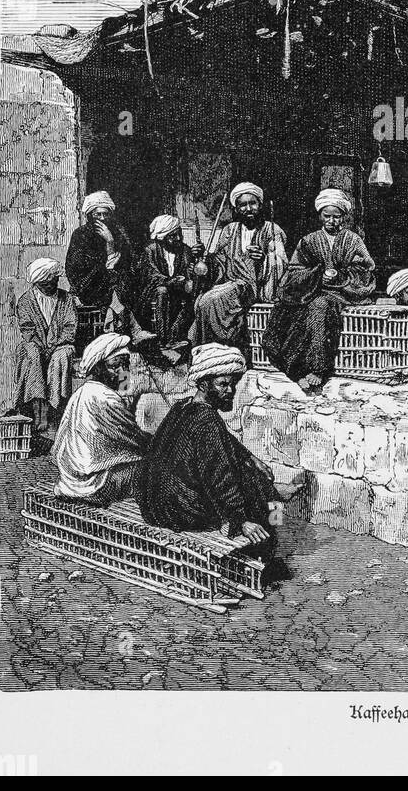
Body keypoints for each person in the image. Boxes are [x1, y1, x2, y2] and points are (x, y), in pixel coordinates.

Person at [135, 344, 303, 550]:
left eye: (232, 384)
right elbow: (218, 474)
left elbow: (223, 440)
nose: (230, 391)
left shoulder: (184, 406)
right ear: (204, 384)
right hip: (180, 511)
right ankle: (274, 540)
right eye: (223, 385)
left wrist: (249, 457)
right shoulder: (207, 420)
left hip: (156, 506)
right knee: (259, 486)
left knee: (249, 470)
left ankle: (273, 507)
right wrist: (239, 519)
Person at [263, 189, 375, 392]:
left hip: (343, 294)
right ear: (320, 216)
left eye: (337, 216)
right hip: (309, 291)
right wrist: (317, 274)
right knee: (287, 310)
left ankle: (317, 368)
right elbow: (295, 272)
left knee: (319, 306)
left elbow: (365, 270)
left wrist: (340, 276)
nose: (332, 221)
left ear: (344, 216)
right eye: (327, 216)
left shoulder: (353, 240)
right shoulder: (308, 241)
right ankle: (296, 368)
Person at [190, 183, 287, 354]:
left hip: (254, 287)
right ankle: (208, 352)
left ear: (260, 205)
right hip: (229, 283)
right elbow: (219, 262)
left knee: (210, 300)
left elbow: (279, 262)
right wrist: (203, 259)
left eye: (253, 203)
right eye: (243, 204)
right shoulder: (230, 230)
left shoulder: (271, 229)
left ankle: (220, 349)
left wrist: (264, 259)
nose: (248, 208)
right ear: (236, 208)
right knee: (203, 300)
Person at [51, 332, 146, 504]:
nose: (122, 372)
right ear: (98, 368)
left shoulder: (82, 392)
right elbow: (136, 440)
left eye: (126, 365)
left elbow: (57, 447)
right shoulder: (105, 399)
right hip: (94, 484)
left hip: (70, 481)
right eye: (115, 366)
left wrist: (123, 382)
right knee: (153, 468)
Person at [65, 191, 155, 348]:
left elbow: (129, 263)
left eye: (105, 214)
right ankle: (134, 331)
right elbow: (75, 268)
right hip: (88, 284)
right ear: (89, 215)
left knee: (123, 286)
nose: (102, 218)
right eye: (97, 214)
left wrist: (111, 243)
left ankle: (126, 334)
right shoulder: (80, 235)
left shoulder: (118, 233)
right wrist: (105, 266)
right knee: (114, 288)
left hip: (117, 283)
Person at [13, 258, 78, 445]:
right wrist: (41, 346)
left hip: (60, 345)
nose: (52, 284)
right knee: (30, 353)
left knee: (62, 356)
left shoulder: (66, 299)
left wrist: (55, 344)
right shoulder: (26, 301)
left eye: (55, 280)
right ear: (39, 282)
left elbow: (70, 327)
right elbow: (27, 330)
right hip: (37, 345)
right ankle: (38, 413)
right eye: (47, 282)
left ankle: (53, 416)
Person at [136, 215, 199, 350]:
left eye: (179, 234)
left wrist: (191, 273)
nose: (178, 239)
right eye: (172, 236)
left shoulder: (185, 250)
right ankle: (162, 339)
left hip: (178, 291)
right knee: (162, 291)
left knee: (193, 293)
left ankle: (175, 337)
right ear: (162, 237)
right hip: (153, 292)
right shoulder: (150, 249)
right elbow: (151, 274)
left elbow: (188, 273)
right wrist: (171, 281)